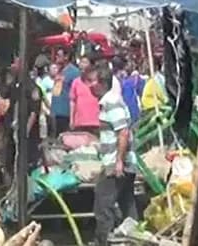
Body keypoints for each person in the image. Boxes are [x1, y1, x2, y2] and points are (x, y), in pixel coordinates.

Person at [89, 64, 138, 246]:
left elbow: (123, 132)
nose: (89, 85)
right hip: (120, 162)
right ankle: (135, 240)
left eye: (92, 81)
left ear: (102, 83)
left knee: (103, 207)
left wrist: (118, 161)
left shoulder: (111, 102)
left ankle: (104, 242)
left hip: (116, 164)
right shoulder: (107, 102)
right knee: (127, 205)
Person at [52, 49, 81, 134]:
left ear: (66, 57)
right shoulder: (59, 71)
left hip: (66, 112)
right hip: (56, 111)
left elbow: (76, 93)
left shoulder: (74, 72)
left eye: (58, 55)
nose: (56, 57)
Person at [70, 57, 101, 133]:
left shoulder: (98, 82)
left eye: (85, 62)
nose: (82, 65)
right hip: (80, 122)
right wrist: (71, 119)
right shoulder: (76, 82)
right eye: (81, 62)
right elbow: (72, 102)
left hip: (96, 121)